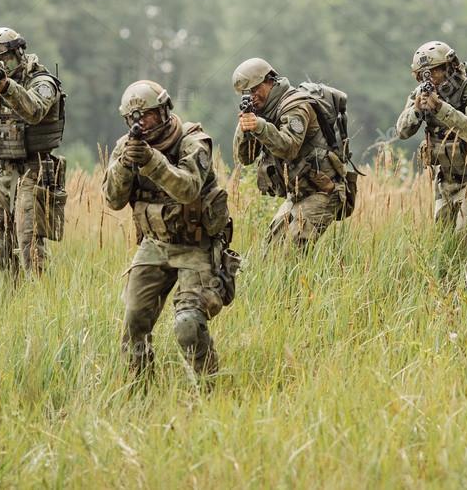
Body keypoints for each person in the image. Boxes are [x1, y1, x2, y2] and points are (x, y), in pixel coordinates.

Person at [103, 80, 238, 379]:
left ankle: (208, 388)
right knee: (134, 320)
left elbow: (189, 190)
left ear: (164, 111)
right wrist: (126, 164)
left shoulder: (193, 141)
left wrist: (152, 162)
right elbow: (113, 200)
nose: (142, 123)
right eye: (134, 119)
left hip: (196, 245)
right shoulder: (127, 147)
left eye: (148, 115)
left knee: (188, 323)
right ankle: (139, 393)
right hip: (155, 243)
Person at [0, 26, 66, 277]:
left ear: (19, 52)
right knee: (1, 245)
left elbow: (34, 112)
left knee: (29, 242)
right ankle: (14, 299)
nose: (1, 64)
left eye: (4, 57)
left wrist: (8, 88)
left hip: (36, 169)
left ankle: (40, 301)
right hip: (5, 171)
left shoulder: (42, 82)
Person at [395, 41, 467, 252]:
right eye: (423, 75)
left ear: (448, 67)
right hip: (445, 180)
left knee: (465, 237)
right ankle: (448, 283)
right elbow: (402, 131)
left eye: (433, 72)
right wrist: (416, 109)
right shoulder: (422, 93)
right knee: (444, 243)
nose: (429, 79)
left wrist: (440, 108)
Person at [232, 58, 348, 249]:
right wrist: (246, 128)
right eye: (246, 93)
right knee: (268, 255)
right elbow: (245, 159)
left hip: (323, 190)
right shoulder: (262, 111)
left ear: (270, 81)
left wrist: (260, 127)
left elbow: (289, 147)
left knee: (288, 255)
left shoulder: (296, 106)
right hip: (297, 194)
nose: (251, 96)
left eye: (254, 90)